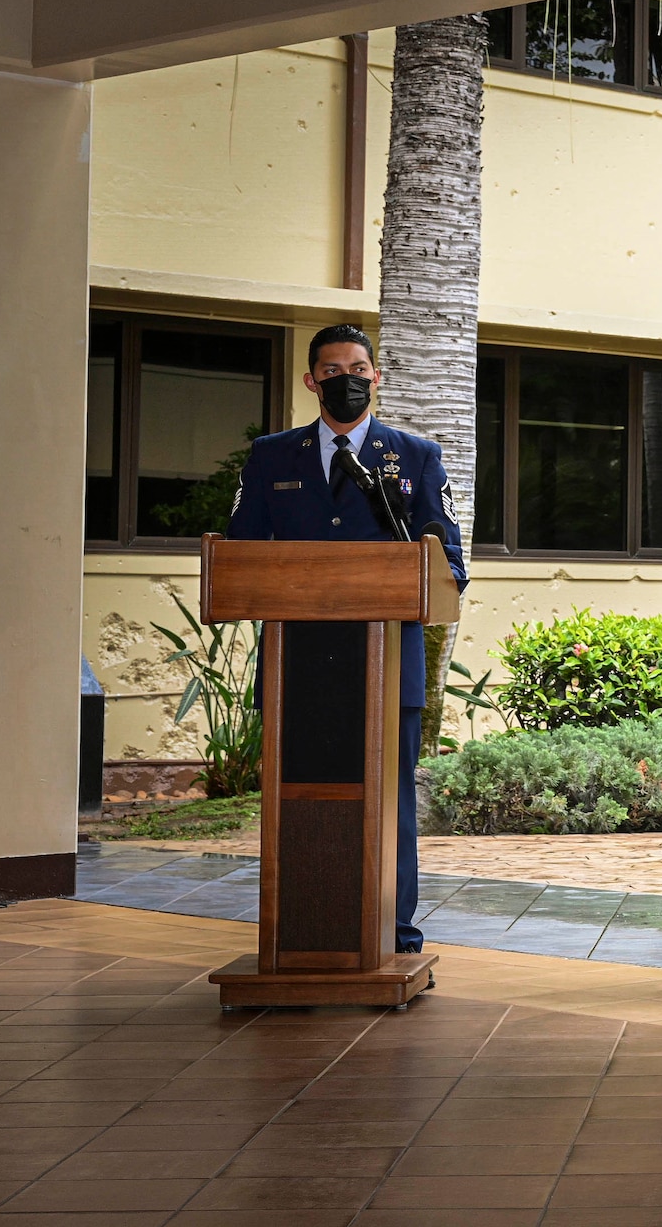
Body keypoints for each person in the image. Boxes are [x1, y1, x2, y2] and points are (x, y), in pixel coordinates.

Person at [227, 323, 467, 956]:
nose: (347, 380)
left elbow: (451, 565)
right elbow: (242, 555)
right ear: (312, 382)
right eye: (332, 371)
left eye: (358, 369)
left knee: (390, 801)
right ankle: (303, 928)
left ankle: (395, 931)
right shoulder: (272, 456)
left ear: (376, 378)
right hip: (297, 668)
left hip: (387, 665)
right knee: (300, 794)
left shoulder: (414, 456)